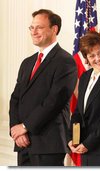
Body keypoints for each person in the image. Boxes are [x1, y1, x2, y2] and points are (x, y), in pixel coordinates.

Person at [9, 9, 77, 166]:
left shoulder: (65, 61)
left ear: (54, 29)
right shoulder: (27, 62)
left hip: (49, 144)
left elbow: (54, 102)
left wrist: (24, 127)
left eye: (39, 27)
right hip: (23, 143)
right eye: (32, 27)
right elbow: (15, 99)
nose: (34, 32)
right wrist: (15, 130)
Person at [67, 31, 100, 166]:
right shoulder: (85, 77)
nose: (98, 58)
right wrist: (74, 139)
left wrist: (88, 143)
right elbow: (78, 112)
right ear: (86, 59)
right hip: (84, 148)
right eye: (92, 55)